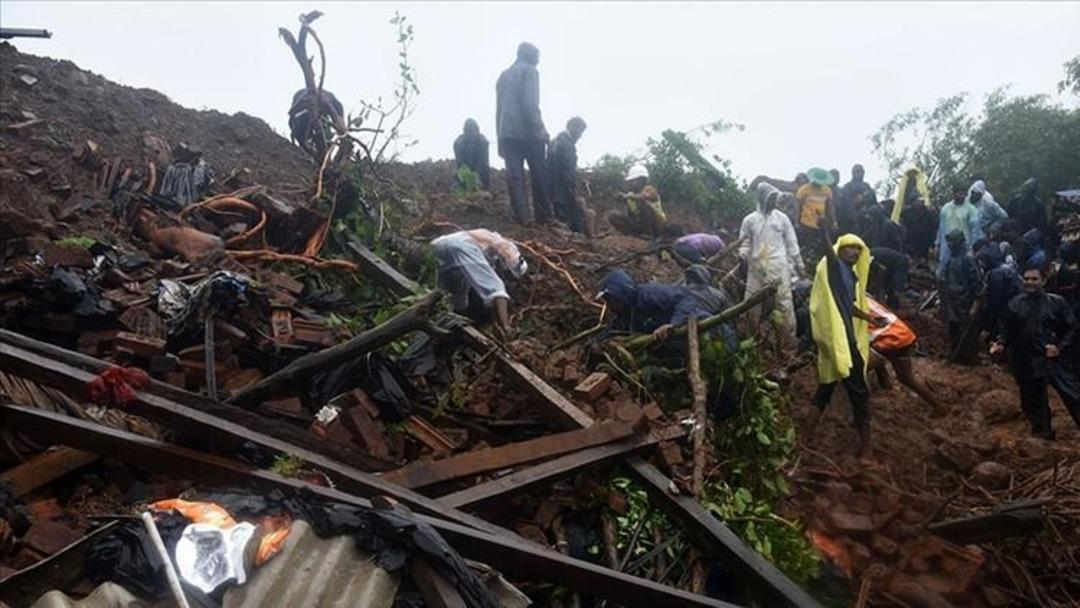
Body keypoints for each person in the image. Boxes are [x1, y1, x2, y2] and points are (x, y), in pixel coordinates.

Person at [806, 231, 885, 458]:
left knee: (826, 387)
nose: (854, 251)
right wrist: (823, 229)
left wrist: (869, 318)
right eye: (849, 247)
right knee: (859, 393)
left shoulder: (849, 275)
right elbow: (828, 253)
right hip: (844, 342)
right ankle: (867, 449)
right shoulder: (836, 266)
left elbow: (848, 306)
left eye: (858, 248)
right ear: (839, 249)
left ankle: (804, 438)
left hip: (840, 340)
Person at [991, 266, 1080, 439]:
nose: (1029, 283)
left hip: (1052, 360)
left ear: (1043, 281)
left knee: (1072, 394)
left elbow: (1072, 329)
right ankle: (1043, 434)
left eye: (1034, 279)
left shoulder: (1057, 303)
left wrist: (1059, 347)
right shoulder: (1015, 304)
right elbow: (1007, 330)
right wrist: (1001, 343)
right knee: (1032, 400)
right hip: (1025, 359)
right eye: (1026, 279)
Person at [431, 229, 528, 335]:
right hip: (459, 246)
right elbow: (496, 288)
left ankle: (452, 324)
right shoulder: (485, 248)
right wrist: (505, 326)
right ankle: (506, 329)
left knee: (457, 296)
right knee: (495, 286)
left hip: (441, 246)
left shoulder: (491, 248)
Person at [739, 183, 804, 341]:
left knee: (784, 304)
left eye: (775, 198)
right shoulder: (750, 220)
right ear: (762, 198)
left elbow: (791, 242)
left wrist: (799, 263)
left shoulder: (782, 219)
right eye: (770, 198)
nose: (773, 201)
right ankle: (751, 339)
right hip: (756, 268)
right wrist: (743, 254)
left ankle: (787, 341)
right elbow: (745, 242)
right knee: (751, 303)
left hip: (778, 268)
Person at [496, 42, 552, 224]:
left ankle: (522, 218)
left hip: (507, 134)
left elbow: (499, 110)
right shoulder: (530, 72)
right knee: (539, 174)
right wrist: (541, 131)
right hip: (528, 133)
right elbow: (530, 105)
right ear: (529, 55)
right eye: (537, 56)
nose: (538, 61)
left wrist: (500, 138)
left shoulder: (503, 76)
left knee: (515, 177)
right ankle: (544, 218)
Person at [865, 296, 947, 417]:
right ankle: (938, 406)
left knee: (856, 372)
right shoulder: (863, 295)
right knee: (906, 377)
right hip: (902, 334)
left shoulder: (845, 301)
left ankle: (861, 411)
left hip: (890, 339)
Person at [596, 268, 707, 342]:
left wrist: (674, 324)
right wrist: (596, 343)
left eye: (612, 300)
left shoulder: (649, 294)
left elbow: (686, 299)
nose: (610, 306)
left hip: (705, 331)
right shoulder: (627, 315)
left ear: (622, 294)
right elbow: (613, 331)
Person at [938, 230, 983, 356]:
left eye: (952, 241)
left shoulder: (968, 259)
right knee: (954, 330)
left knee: (966, 332)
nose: (949, 244)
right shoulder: (951, 259)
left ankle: (968, 358)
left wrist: (975, 305)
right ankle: (956, 354)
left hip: (964, 302)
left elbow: (977, 283)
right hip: (952, 302)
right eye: (948, 242)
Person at [547, 117, 588, 234]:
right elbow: (568, 169)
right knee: (572, 217)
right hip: (563, 190)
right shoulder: (567, 144)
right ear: (572, 126)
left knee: (559, 215)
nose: (580, 136)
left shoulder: (554, 141)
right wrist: (573, 188)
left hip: (553, 190)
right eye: (580, 131)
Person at [977, 243, 1022, 338]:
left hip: (1007, 313)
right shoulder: (1008, 268)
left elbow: (995, 302)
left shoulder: (996, 274)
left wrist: (988, 327)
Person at [936, 184, 982, 271]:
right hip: (946, 247)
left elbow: (975, 231)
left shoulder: (972, 210)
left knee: (962, 272)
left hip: (964, 248)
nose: (961, 196)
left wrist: (972, 249)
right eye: (959, 193)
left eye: (963, 193)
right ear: (953, 194)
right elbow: (941, 228)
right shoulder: (945, 208)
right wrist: (937, 244)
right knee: (944, 272)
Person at [611, 166, 667, 238]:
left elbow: (644, 197)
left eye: (633, 180)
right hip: (640, 225)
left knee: (645, 205)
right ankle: (634, 235)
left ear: (641, 180)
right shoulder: (630, 195)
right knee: (613, 216)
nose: (631, 183)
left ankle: (649, 234)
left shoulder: (650, 190)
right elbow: (630, 215)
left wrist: (627, 197)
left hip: (656, 226)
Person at [795, 167, 836, 263]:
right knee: (808, 247)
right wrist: (796, 222)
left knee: (821, 248)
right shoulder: (804, 189)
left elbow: (830, 207)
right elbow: (798, 207)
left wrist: (834, 222)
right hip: (806, 223)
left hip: (821, 224)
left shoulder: (827, 191)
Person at [288, 88, 346, 156]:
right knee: (326, 136)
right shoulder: (333, 102)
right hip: (304, 114)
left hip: (300, 116)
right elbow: (341, 128)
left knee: (324, 135)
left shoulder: (334, 103)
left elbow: (341, 127)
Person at [453, 119, 491, 191]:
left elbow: (484, 161)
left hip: (480, 168)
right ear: (465, 132)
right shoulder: (459, 144)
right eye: (469, 131)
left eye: (474, 131)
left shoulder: (484, 142)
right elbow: (460, 163)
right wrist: (468, 174)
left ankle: (486, 189)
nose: (472, 134)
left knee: (485, 169)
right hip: (465, 167)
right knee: (459, 175)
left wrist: (475, 174)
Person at [839, 164, 878, 234]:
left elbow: (873, 201)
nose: (859, 173)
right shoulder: (847, 187)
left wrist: (864, 199)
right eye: (857, 171)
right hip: (852, 221)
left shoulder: (867, 186)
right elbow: (845, 204)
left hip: (868, 219)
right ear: (853, 173)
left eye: (861, 171)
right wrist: (856, 202)